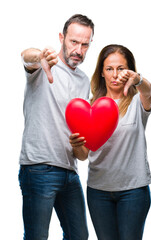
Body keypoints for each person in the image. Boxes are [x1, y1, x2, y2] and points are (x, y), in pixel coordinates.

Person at [18, 14, 94, 240]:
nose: (78, 50)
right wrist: (40, 56)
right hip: (39, 168)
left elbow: (82, 154)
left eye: (85, 45)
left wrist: (80, 144)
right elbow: (26, 56)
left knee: (79, 236)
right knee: (37, 236)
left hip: (70, 172)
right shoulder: (43, 65)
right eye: (73, 42)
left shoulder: (84, 80)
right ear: (62, 38)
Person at [69, 44, 151, 240]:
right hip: (98, 191)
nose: (115, 74)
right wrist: (76, 146)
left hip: (133, 191)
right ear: (102, 72)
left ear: (129, 70)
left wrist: (138, 80)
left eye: (121, 68)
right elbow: (83, 155)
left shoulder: (137, 102)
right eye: (109, 69)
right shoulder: (88, 108)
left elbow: (149, 93)